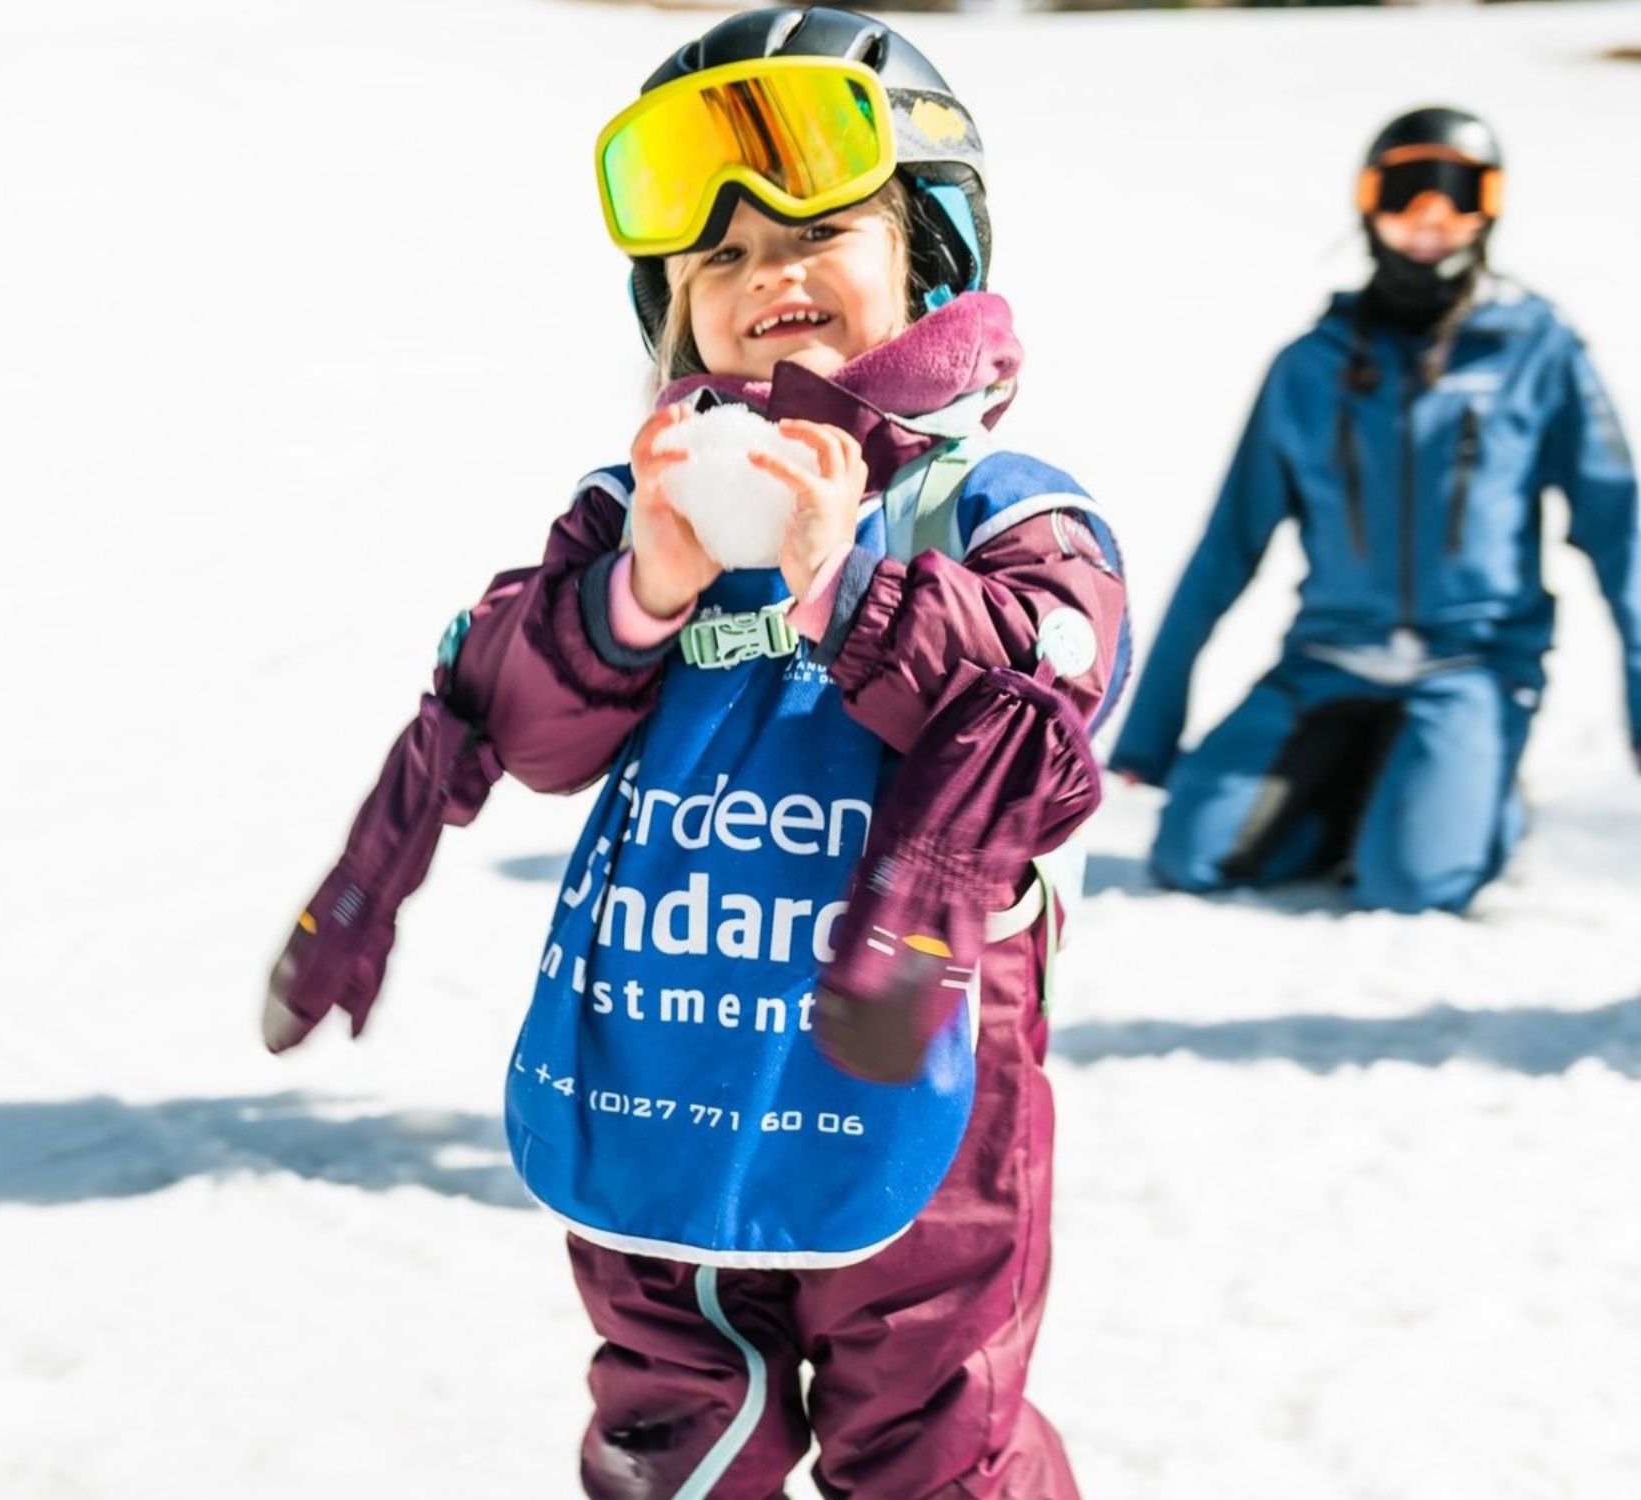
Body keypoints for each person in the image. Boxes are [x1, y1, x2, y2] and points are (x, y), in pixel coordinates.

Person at [264, 9, 1127, 1496]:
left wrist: (841, 583)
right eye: (715, 256)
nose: (765, 275)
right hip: (669, 1049)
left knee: (933, 1448)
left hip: (915, 1072)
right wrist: (637, 595)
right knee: (673, 1434)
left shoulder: (989, 505)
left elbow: (1052, 705)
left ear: (929, 246)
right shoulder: (638, 501)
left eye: (817, 229)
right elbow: (526, 728)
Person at [1109, 106, 1640, 914]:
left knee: (1414, 885)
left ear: (1488, 210)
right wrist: (1150, 730)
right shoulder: (1310, 366)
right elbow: (1227, 548)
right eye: (1405, 194)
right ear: (1369, 203)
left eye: (1457, 196)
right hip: (1327, 664)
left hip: (1473, 668)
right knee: (1194, 856)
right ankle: (1378, 788)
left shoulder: (1538, 351)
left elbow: (1620, 534)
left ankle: (1468, 799)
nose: (1429, 222)